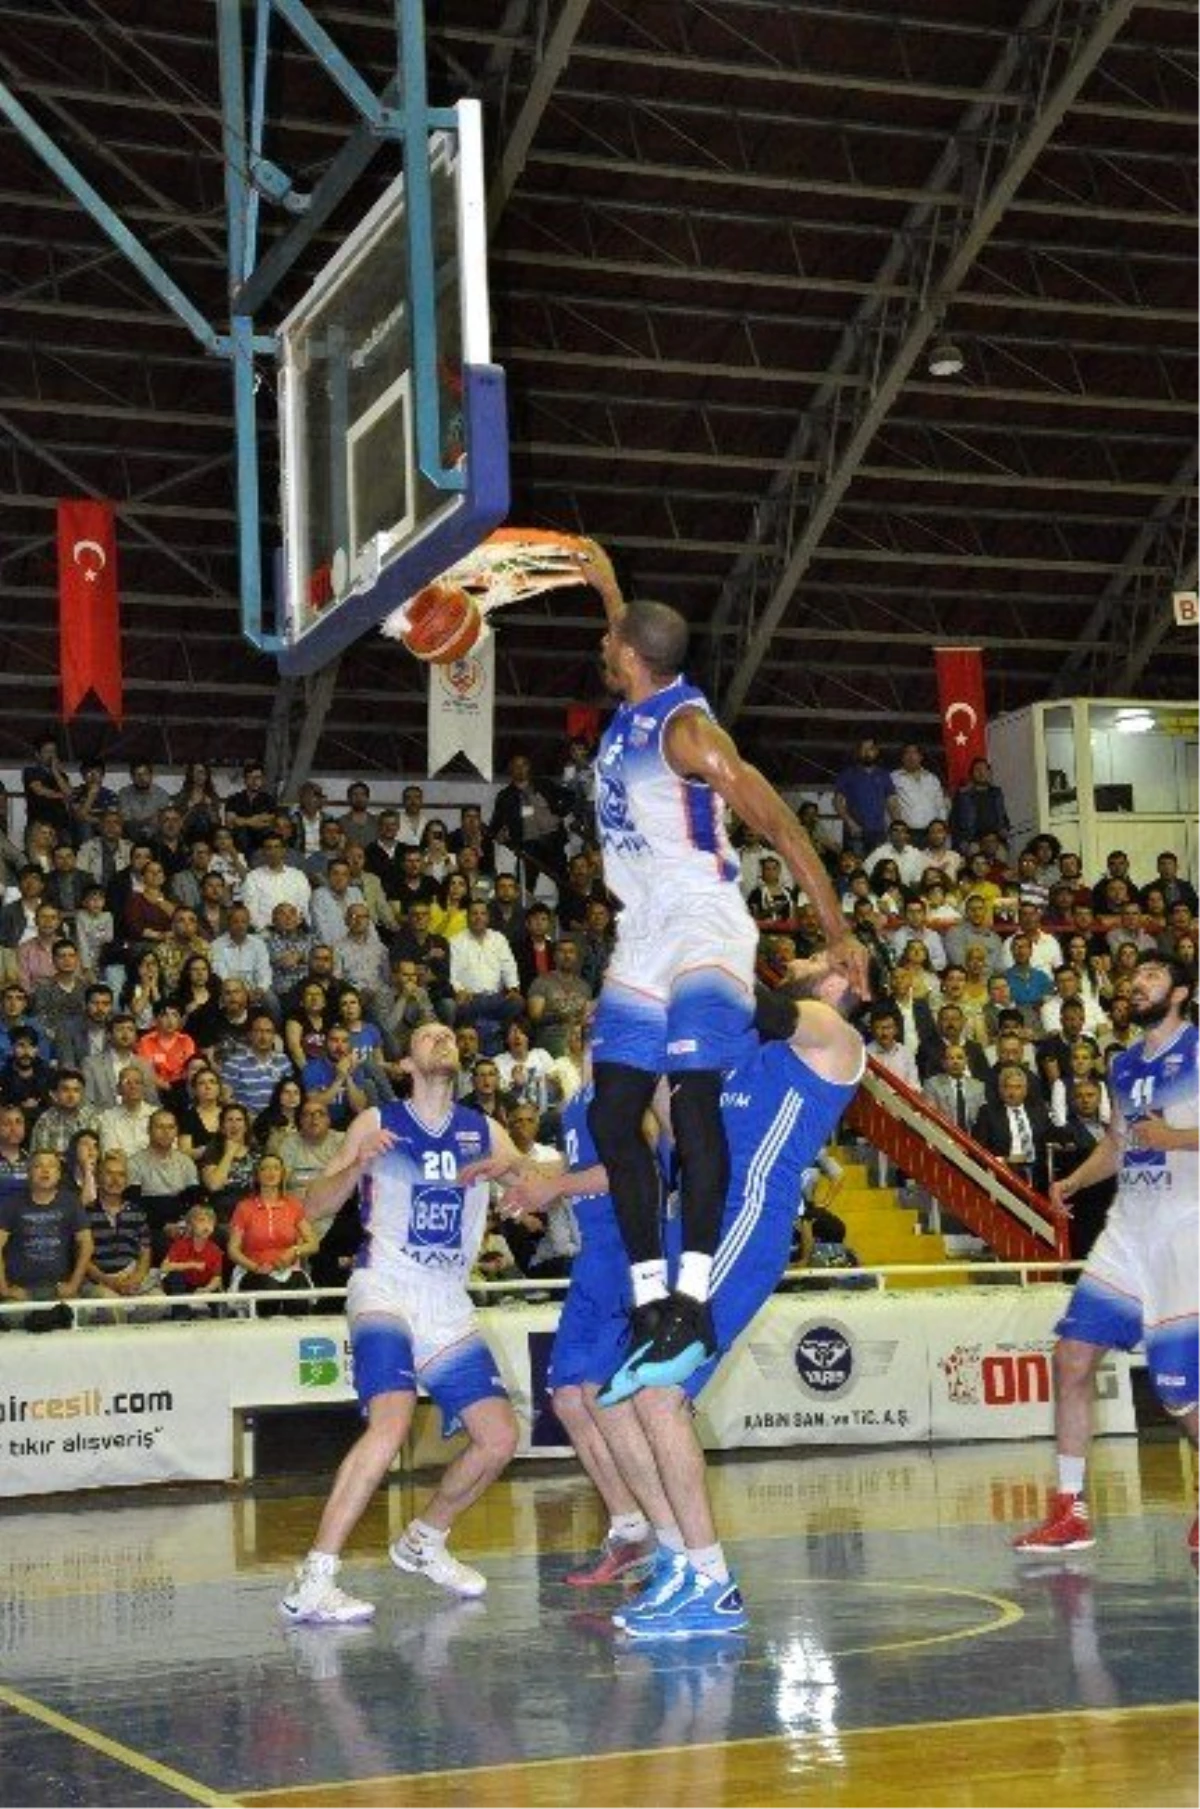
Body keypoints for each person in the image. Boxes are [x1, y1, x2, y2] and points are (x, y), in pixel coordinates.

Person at [497, 958, 864, 1635]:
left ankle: (710, 1579)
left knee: (659, 1390)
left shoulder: (829, 1036)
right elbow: (665, 1118)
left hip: (743, 1218)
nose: (806, 964)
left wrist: (687, 954)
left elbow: (768, 1006)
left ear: (841, 985)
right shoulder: (729, 1058)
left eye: (819, 962)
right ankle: (674, 1555)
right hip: (684, 1223)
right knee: (616, 1390)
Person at [586, 571, 867, 1397]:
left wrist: (837, 927)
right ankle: (649, 1300)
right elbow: (627, 629)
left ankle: (693, 1297)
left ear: (631, 658)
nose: (602, 647)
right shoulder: (639, 689)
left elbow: (777, 822)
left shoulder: (691, 732)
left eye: (609, 640)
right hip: (642, 929)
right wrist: (602, 577)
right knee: (611, 1111)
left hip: (702, 923)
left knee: (695, 1098)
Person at [279, 1020, 523, 1625]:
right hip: (383, 1285)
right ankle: (315, 1576)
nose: (444, 1039)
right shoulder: (378, 1123)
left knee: (499, 1439)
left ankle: (424, 1538)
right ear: (405, 1063)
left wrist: (519, 1181)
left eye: (450, 1033)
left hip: (446, 1298)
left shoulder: (484, 1130)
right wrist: (355, 1163)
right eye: (429, 1035)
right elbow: (313, 1208)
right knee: (389, 1427)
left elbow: (537, 1189)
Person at [1015, 955, 1200, 1556]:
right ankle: (1070, 1511)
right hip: (1129, 1229)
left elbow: (1165, 1137)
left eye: (1151, 975)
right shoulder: (1122, 1064)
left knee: (1177, 1394)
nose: (1136, 982)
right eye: (1134, 975)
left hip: (1185, 1232)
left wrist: (1176, 1138)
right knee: (1070, 1357)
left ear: (1180, 991)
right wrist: (1073, 1180)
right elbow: (1120, 1146)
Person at [0, 1149, 92, 1328]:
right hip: (22, 1291)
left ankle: (46, 1321)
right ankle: (48, 1321)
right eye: (38, 1166)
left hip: (59, 1288)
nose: (45, 1170)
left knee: (83, 1315)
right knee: (12, 1318)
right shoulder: (11, 1204)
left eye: (51, 1166)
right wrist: (4, 1288)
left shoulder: (71, 1202)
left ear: (59, 1174)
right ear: (28, 1173)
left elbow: (87, 1245)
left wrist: (73, 1284)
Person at [228, 1153, 317, 1312]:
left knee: (298, 1301)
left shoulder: (293, 1205)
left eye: (276, 1168)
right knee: (270, 1294)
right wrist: (255, 1267)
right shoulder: (244, 1207)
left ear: (282, 1174)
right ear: (257, 1175)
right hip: (254, 1271)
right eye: (265, 1168)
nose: (271, 1172)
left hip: (288, 1270)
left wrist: (294, 1251)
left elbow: (313, 1244)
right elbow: (233, 1250)